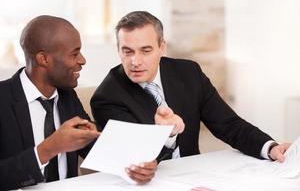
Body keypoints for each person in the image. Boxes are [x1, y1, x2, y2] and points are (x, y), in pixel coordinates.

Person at [90, 11, 290, 166]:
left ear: (162, 47)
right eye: (127, 51)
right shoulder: (107, 96)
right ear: (118, 50)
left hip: (193, 175)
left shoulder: (188, 72)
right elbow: (135, 160)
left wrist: (270, 147)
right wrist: (168, 135)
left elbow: (228, 124)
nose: (135, 61)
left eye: (146, 50)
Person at [0, 15, 154, 190]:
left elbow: (94, 147)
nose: (82, 60)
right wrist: (48, 149)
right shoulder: (4, 98)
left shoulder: (67, 96)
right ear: (44, 59)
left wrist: (135, 163)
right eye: (74, 53)